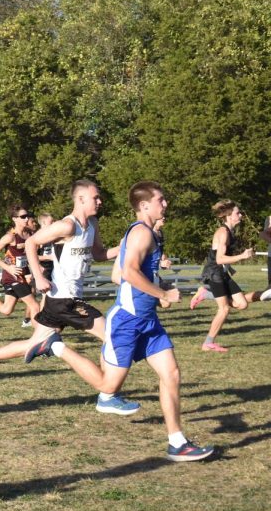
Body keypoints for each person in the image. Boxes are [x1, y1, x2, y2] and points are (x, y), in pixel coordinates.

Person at [24, 182, 213, 461]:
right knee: (108, 388)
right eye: (161, 200)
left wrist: (157, 292)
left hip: (147, 320)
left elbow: (127, 267)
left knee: (171, 374)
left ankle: (177, 442)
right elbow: (128, 273)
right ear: (144, 205)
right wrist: (162, 293)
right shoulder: (140, 233)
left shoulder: (149, 234)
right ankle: (54, 346)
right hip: (126, 321)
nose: (166, 204)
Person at [0, 180, 120, 401]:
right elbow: (31, 244)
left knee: (34, 342)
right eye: (96, 197)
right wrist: (37, 276)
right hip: (66, 300)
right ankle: (108, 395)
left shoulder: (92, 224)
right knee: (112, 336)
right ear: (81, 199)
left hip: (62, 299)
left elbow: (100, 254)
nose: (100, 201)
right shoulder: (67, 226)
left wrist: (125, 246)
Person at [191, 200, 260, 352]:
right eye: (237, 213)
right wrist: (242, 256)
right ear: (228, 216)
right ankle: (208, 343)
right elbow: (219, 259)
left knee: (242, 304)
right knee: (224, 310)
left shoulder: (231, 231)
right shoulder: (223, 233)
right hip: (214, 273)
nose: (240, 215)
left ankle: (207, 294)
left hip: (222, 272)